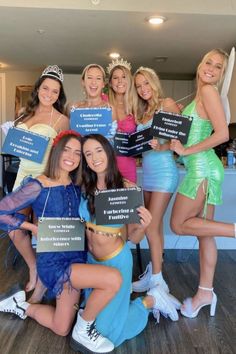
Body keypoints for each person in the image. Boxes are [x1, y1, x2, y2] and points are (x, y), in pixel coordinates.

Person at [0, 131, 121, 353]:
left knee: (61, 327)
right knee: (113, 279)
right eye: (67, 150)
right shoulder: (38, 185)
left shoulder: (79, 184)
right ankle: (84, 330)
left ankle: (20, 305)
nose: (72, 157)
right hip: (55, 262)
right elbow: (2, 211)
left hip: (78, 255)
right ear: (56, 151)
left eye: (77, 153)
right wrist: (32, 227)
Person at [76, 133, 180, 349]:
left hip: (116, 262)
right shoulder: (84, 185)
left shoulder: (127, 188)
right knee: (91, 321)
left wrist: (144, 224)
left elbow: (134, 237)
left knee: (106, 333)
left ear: (109, 152)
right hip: (91, 262)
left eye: (99, 151)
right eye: (88, 154)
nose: (94, 158)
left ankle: (150, 301)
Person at [169, 49, 236, 318]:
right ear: (200, 64)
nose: (211, 68)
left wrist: (186, 151)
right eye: (208, 62)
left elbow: (221, 134)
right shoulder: (201, 94)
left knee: (177, 224)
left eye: (218, 67)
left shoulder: (208, 91)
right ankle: (205, 293)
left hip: (202, 169)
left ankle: (233, 229)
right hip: (204, 168)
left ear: (221, 75)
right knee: (204, 233)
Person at [9, 65, 69, 299]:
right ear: (38, 89)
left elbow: (62, 155)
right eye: (46, 88)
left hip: (44, 180)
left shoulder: (62, 120)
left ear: (59, 95)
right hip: (22, 178)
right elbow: (18, 148)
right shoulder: (24, 114)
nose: (50, 94)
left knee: (45, 233)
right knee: (14, 228)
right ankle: (33, 266)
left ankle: (48, 278)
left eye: (55, 91)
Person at [132, 67, 180, 296]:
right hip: (148, 174)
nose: (143, 89)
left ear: (154, 82)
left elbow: (181, 140)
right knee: (156, 227)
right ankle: (153, 272)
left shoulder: (167, 104)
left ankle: (159, 283)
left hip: (165, 172)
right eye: (139, 86)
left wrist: (162, 146)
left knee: (149, 225)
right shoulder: (141, 114)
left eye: (146, 84)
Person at [107, 59, 137, 182]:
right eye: (115, 78)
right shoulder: (103, 102)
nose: (120, 81)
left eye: (124, 77)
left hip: (127, 165)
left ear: (129, 81)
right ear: (109, 83)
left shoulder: (136, 106)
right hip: (105, 165)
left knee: (128, 200)